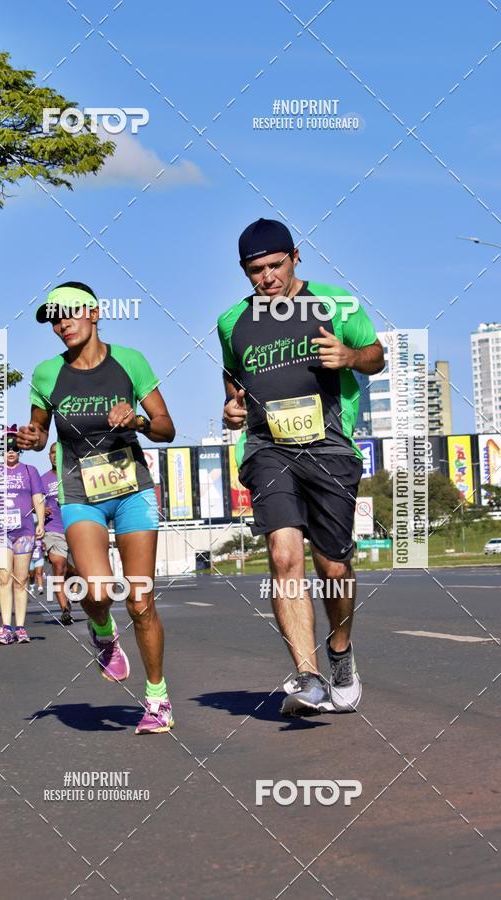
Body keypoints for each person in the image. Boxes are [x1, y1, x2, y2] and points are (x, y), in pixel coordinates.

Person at [219, 218, 384, 717]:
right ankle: (307, 676)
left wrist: (350, 355)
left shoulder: (336, 303)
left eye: (274, 266)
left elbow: (376, 357)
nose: (266, 278)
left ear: (296, 256)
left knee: (333, 565)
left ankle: (340, 654)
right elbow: (234, 385)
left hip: (330, 447)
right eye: (255, 271)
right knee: (283, 553)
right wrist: (231, 410)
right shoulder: (232, 322)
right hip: (269, 449)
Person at [18, 281, 176, 735]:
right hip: (79, 492)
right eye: (54, 318)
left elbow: (166, 428)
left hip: (132, 491)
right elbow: (38, 431)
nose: (61, 323)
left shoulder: (131, 361)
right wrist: (30, 439)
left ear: (94, 312)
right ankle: (103, 632)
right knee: (99, 592)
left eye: (69, 313)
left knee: (141, 598)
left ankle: (157, 698)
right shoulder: (47, 373)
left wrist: (139, 420)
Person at [0, 426, 45, 644]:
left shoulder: (30, 471)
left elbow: (38, 497)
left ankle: (20, 627)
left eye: (14, 448)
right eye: (6, 448)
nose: (11, 451)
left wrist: (40, 522)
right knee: (3, 578)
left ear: (20, 451)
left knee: (21, 580)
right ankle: (5, 626)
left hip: (24, 531)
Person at [41, 442, 75, 625]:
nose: (55, 456)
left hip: (75, 528)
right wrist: (40, 508)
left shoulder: (73, 475)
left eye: (58, 453)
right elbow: (34, 501)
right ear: (49, 456)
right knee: (58, 565)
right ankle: (64, 609)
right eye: (52, 453)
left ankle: (73, 577)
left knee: (74, 569)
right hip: (53, 529)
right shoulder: (42, 479)